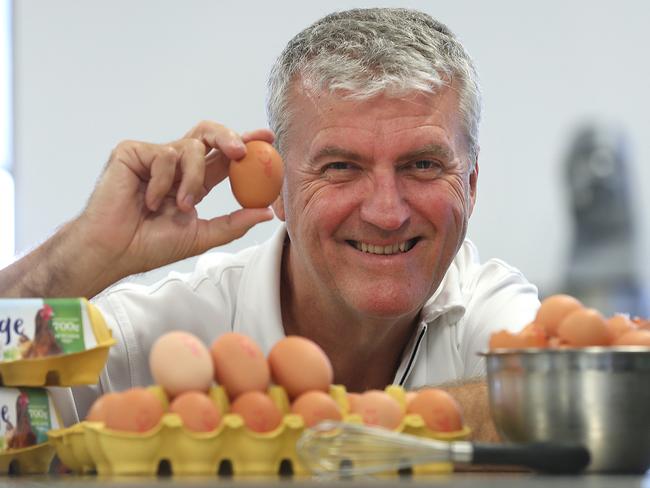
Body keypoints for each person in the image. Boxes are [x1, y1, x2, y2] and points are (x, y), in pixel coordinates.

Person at [0, 8, 538, 441]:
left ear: (470, 183)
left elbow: (552, 408)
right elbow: (10, 421)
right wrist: (88, 252)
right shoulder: (160, 333)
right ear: (277, 184)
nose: (386, 212)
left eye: (422, 164)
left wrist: (303, 431)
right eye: (340, 168)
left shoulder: (486, 310)